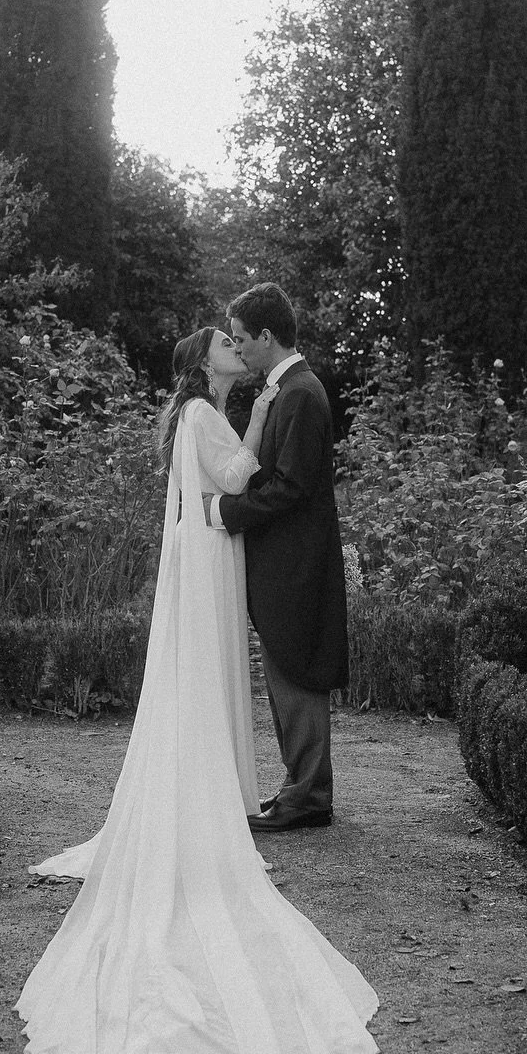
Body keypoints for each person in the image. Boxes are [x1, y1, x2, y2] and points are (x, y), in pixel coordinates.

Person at [15, 325, 378, 1054]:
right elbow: (242, 477)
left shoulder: (199, 413)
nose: (233, 346)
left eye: (237, 339)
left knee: (205, 676)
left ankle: (221, 788)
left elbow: (230, 477)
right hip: (211, 549)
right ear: (201, 362)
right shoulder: (205, 414)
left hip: (207, 548)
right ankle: (213, 795)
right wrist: (258, 417)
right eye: (222, 343)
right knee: (208, 674)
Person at [206, 283, 348, 832]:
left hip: (296, 565)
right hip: (286, 563)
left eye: (242, 338)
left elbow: (291, 487)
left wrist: (226, 511)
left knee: (297, 673)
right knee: (286, 674)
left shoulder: (301, 393)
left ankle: (309, 796)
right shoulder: (288, 391)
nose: (238, 348)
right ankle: (301, 788)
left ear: (267, 335)